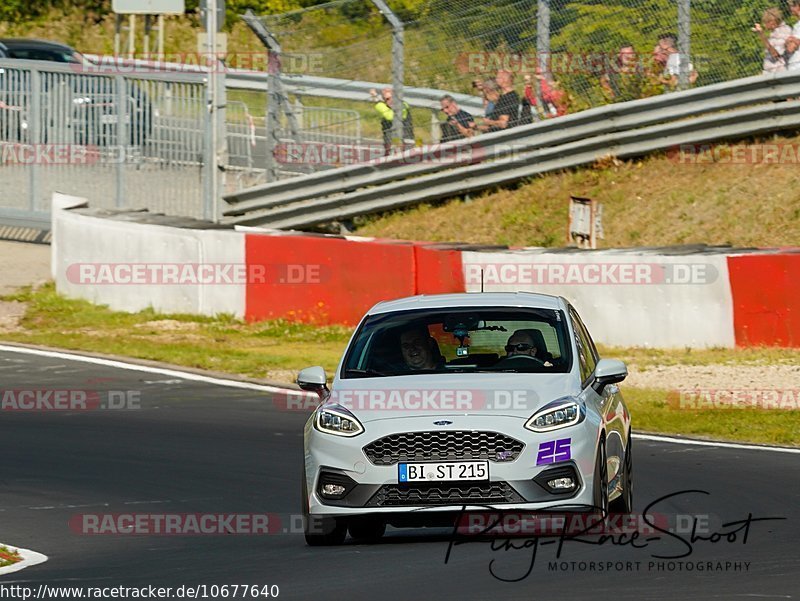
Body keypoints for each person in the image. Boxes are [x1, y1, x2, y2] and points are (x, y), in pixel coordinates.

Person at [370, 87, 414, 155]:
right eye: (387, 99)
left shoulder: (403, 105)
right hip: (390, 141)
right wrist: (376, 98)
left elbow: (390, 116)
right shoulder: (385, 107)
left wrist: (377, 102)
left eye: (391, 98)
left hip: (405, 139)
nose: (390, 101)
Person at [753, 8, 791, 74]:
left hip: (779, 71)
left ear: (772, 21)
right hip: (771, 71)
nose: (764, 25)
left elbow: (775, 53)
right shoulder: (774, 32)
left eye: (765, 22)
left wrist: (761, 35)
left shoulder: (783, 31)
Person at [785, 1, 800, 70]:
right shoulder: (796, 25)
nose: (790, 8)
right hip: (793, 63)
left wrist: (792, 40)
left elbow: (791, 47)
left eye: (792, 6)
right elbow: (790, 48)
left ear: (798, 6)